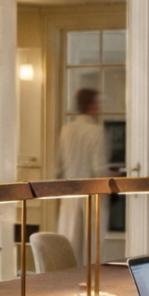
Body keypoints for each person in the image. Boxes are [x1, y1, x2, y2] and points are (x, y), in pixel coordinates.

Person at [56, 87, 109, 265]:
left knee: (69, 240)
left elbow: (60, 165)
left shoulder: (66, 130)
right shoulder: (96, 131)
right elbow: (99, 168)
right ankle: (91, 282)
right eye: (98, 102)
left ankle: (67, 281)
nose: (100, 106)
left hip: (70, 193)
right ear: (91, 105)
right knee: (92, 244)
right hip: (92, 194)